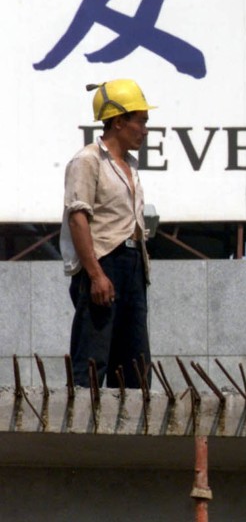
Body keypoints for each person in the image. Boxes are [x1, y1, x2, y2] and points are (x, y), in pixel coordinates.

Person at [61, 79, 154, 388]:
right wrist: (96, 274)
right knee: (92, 358)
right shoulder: (88, 160)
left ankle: (126, 436)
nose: (144, 130)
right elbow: (78, 218)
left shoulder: (129, 165)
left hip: (133, 265)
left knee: (134, 365)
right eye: (140, 121)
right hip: (103, 263)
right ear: (118, 122)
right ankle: (81, 434)